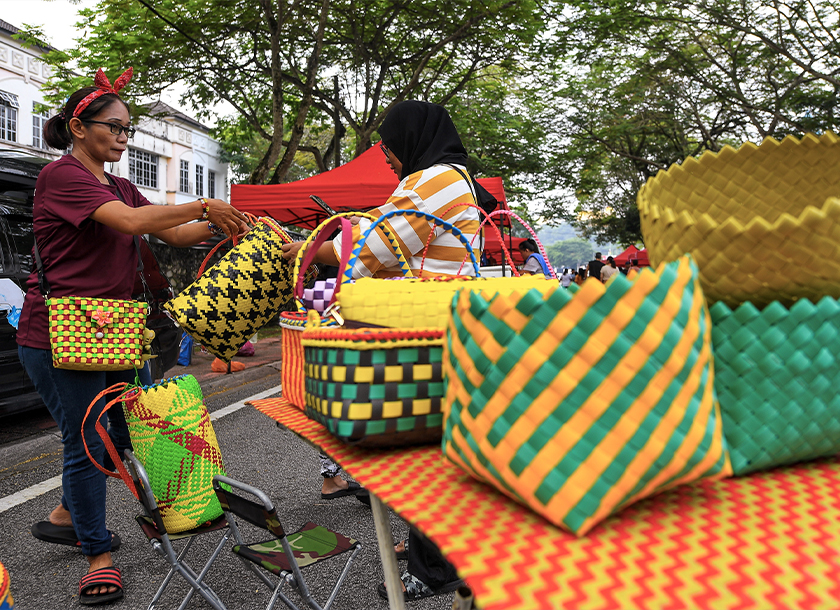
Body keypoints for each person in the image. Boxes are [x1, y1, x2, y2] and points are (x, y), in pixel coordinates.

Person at [15, 68, 250, 605]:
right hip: (58, 333)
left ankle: (63, 515)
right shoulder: (62, 177)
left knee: (121, 435)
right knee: (88, 442)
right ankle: (96, 555)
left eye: (129, 129)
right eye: (115, 127)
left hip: (115, 332)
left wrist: (229, 223)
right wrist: (203, 204)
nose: (125, 137)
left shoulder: (120, 182)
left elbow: (172, 231)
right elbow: (126, 222)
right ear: (79, 126)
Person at [282, 99, 476, 601]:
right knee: (439, 454)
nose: (386, 158)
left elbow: (372, 249)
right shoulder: (444, 178)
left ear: (412, 140)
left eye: (389, 147)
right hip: (440, 330)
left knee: (426, 462)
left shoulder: (433, 180)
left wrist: (304, 250)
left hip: (425, 340)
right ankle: (439, 560)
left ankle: (437, 569)